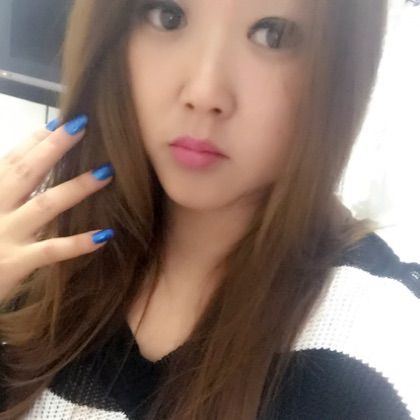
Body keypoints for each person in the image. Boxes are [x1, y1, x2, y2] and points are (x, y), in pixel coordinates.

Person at [0, 0, 419, 419]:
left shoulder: (372, 348)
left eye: (273, 34)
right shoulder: (29, 261)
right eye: (168, 16)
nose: (203, 93)